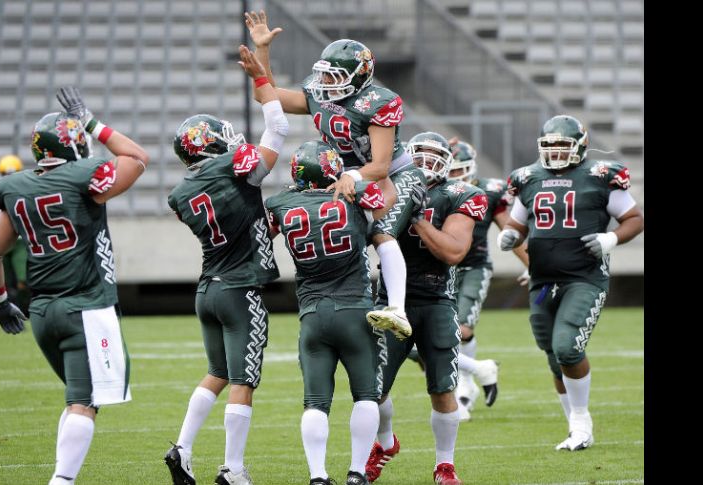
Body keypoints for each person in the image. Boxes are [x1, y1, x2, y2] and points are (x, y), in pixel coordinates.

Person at [0, 86, 150, 485]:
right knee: (85, 400)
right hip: (85, 306)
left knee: (83, 400)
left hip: (43, 311)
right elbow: (136, 158)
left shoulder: (15, 186)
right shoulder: (82, 175)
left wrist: (0, 301)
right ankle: (61, 481)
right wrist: (92, 122)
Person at [246, 10, 424, 341]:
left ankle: (397, 309)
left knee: (381, 230)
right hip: (345, 175)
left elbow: (381, 165)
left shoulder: (377, 102)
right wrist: (263, 50)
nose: (326, 83)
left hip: (394, 176)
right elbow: (266, 95)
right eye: (325, 75)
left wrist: (353, 177)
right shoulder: (319, 94)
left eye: (335, 76)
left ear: (360, 76)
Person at [163, 45, 289, 485]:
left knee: (217, 372)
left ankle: (181, 448)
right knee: (243, 380)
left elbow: (235, 217)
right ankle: (233, 468)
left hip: (208, 288)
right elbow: (277, 129)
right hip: (239, 289)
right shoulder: (233, 166)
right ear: (210, 144)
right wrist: (261, 80)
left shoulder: (180, 195)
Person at [498, 115, 644, 451]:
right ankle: (575, 428)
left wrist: (611, 239)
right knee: (552, 353)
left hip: (585, 278)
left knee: (567, 347)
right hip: (542, 281)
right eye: (549, 146)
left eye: (563, 145)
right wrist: (510, 236)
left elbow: (634, 219)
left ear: (580, 146)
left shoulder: (599, 176)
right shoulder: (528, 177)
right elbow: (518, 225)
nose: (556, 152)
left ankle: (581, 422)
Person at [367, 132, 488, 485]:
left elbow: (453, 252)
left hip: (436, 299)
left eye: (434, 156)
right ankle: (385, 443)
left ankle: (444, 466)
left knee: (441, 388)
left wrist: (417, 215)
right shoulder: (388, 187)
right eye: (419, 155)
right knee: (373, 390)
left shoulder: (461, 193)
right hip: (390, 300)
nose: (425, 164)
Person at [265, 140, 387, 485]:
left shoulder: (280, 203)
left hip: (313, 314)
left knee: (315, 402)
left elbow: (265, 233)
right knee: (365, 395)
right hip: (354, 309)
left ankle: (318, 476)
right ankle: (357, 473)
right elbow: (384, 216)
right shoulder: (356, 194)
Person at [447, 140, 530, 419]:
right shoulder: (435, 189)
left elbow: (510, 232)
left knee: (462, 329)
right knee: (431, 335)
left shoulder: (490, 191)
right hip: (440, 271)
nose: (457, 177)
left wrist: (533, 265)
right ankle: (473, 375)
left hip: (473, 267)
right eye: (452, 170)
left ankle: (465, 383)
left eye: (462, 171)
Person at [0, 154, 31, 314]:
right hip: (3, 241)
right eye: (6, 174)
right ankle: (11, 312)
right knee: (7, 282)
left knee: (23, 281)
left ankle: (25, 311)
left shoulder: (25, 188)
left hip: (20, 242)